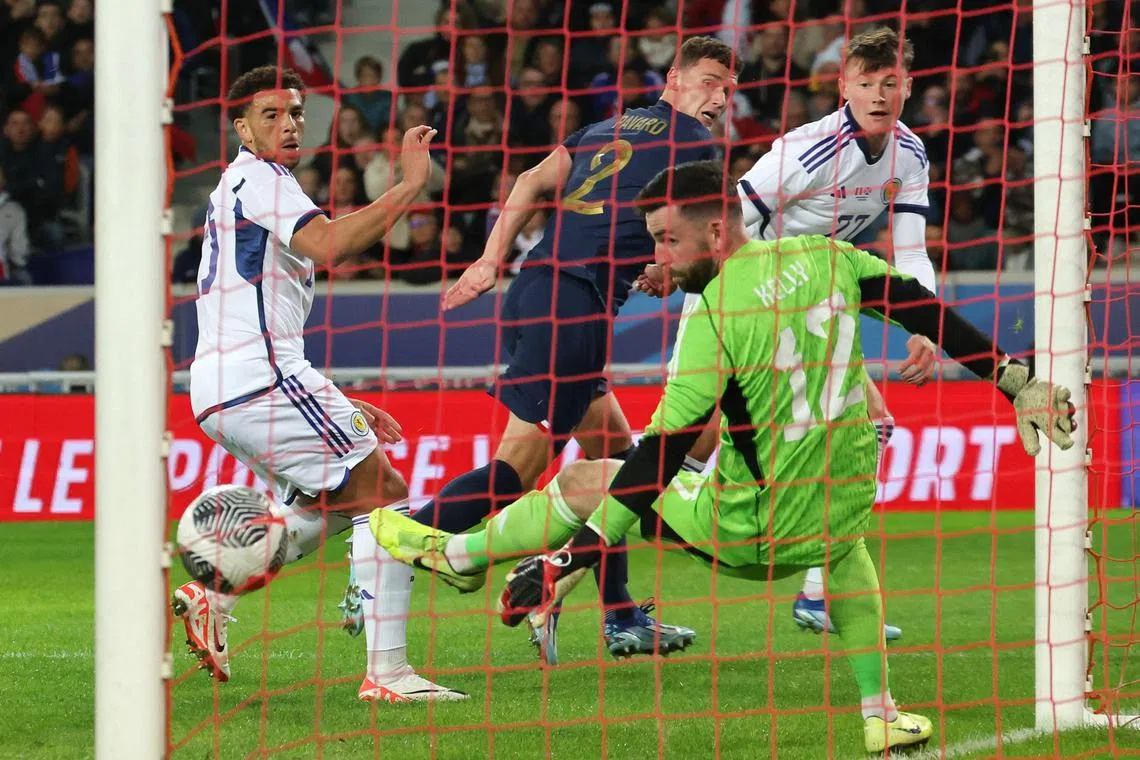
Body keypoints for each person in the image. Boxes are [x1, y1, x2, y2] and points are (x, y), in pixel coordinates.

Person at [368, 160, 1077, 752]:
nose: (659, 258)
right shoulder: (828, 257)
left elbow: (661, 460)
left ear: (715, 229)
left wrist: (569, 560)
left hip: (748, 531)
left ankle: (459, 558)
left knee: (589, 474)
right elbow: (924, 311)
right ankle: (880, 715)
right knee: (846, 552)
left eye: (667, 240)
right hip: (837, 508)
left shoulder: (714, 316)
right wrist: (1018, 383)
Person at [409, 36, 736, 666]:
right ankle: (390, 549)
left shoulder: (606, 126)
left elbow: (531, 180)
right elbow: (692, 238)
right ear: (673, 77)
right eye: (709, 81)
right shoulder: (694, 145)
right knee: (517, 474)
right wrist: (669, 267)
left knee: (616, 461)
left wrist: (486, 262)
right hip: (574, 305)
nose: (718, 97)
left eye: (727, 88)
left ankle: (619, 615)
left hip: (537, 288)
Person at [171, 65, 466, 703]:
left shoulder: (250, 187)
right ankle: (386, 673)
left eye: (297, 113)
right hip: (258, 377)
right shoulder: (260, 178)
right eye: (271, 115)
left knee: (334, 502)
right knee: (381, 489)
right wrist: (411, 185)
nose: (288, 125)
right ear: (241, 127)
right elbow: (332, 246)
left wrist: (334, 397)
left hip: (230, 384)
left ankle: (214, 592)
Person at [647, 27, 939, 641]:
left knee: (873, 425)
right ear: (843, 87)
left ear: (908, 86)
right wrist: (681, 270)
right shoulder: (806, 151)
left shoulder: (910, 155)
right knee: (678, 446)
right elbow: (728, 220)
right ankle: (568, 565)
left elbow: (910, 252)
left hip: (813, 300)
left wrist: (926, 321)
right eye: (865, 83)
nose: (879, 94)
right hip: (745, 299)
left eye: (890, 83)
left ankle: (816, 594)